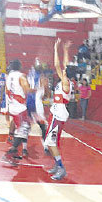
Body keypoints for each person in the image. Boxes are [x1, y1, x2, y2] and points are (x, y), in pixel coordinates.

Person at [44, 39, 74, 180]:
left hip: (59, 114)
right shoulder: (64, 80)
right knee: (49, 142)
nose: (62, 69)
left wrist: (56, 49)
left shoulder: (66, 83)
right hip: (55, 114)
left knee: (50, 142)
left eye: (65, 70)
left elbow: (58, 65)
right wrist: (65, 50)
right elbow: (63, 65)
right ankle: (57, 165)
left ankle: (61, 168)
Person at [3, 59, 33, 162]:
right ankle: (12, 151)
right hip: (20, 107)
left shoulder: (8, 76)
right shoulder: (21, 76)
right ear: (19, 66)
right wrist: (39, 88)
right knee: (24, 128)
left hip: (12, 106)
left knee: (20, 128)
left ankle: (14, 147)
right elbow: (27, 90)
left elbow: (7, 90)